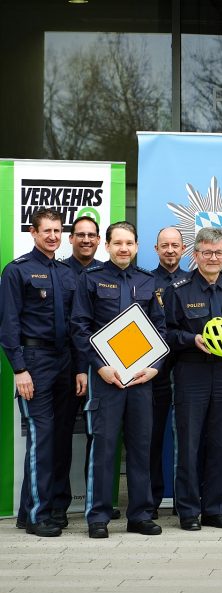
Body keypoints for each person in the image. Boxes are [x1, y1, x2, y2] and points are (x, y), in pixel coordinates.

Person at [70, 221, 163, 538]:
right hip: (106, 378)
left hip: (141, 378)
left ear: (137, 246)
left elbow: (160, 331)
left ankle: (139, 515)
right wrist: (98, 366)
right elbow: (79, 327)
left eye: (129, 243)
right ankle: (97, 517)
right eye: (117, 243)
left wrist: (155, 367)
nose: (124, 248)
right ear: (106, 246)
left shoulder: (149, 282)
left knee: (141, 448)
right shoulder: (91, 279)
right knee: (104, 447)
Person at [161, 227, 222, 531]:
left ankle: (216, 510)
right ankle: (188, 511)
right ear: (195, 255)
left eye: (218, 252)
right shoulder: (178, 289)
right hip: (191, 371)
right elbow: (166, 332)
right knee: (188, 444)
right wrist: (190, 339)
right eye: (207, 253)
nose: (213, 258)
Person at [1, 209, 82, 537]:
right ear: (33, 233)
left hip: (65, 361)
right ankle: (36, 516)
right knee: (42, 439)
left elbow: (77, 326)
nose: (52, 236)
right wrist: (20, 369)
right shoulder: (17, 271)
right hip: (34, 361)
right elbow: (8, 324)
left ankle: (38, 509)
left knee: (61, 440)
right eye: (46, 230)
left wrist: (79, 369)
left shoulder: (67, 273)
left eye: (57, 230)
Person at [52, 214, 101, 527]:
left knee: (99, 437)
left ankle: (97, 502)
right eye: (80, 234)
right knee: (60, 437)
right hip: (65, 366)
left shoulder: (106, 273)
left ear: (99, 241)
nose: (86, 240)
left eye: (91, 235)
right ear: (71, 239)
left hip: (102, 369)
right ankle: (57, 504)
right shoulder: (59, 272)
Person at [149, 226, 187, 518]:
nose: (170, 250)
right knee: (153, 436)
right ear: (156, 249)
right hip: (156, 373)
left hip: (188, 369)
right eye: (165, 245)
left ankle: (184, 500)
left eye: (175, 245)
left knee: (187, 437)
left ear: (183, 249)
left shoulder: (192, 282)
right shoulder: (147, 282)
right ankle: (151, 498)